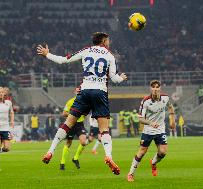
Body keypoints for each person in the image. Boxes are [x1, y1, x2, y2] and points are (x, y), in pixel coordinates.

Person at [37, 32, 127, 175]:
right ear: (103, 41)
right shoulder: (109, 55)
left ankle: (50, 151)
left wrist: (47, 54)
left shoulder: (86, 50)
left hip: (84, 91)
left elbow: (63, 60)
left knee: (67, 124)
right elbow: (115, 79)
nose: (109, 43)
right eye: (108, 40)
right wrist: (122, 78)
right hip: (100, 92)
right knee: (104, 130)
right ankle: (109, 156)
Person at [127, 80, 176, 182]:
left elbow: (171, 107)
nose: (155, 89)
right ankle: (130, 174)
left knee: (163, 152)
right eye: (153, 87)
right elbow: (140, 119)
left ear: (160, 88)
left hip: (160, 129)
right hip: (148, 130)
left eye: (157, 87)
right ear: (150, 88)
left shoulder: (165, 98)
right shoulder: (146, 101)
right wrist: (150, 123)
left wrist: (172, 120)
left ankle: (153, 162)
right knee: (142, 152)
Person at [59, 87, 88, 170]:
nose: (79, 92)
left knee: (83, 142)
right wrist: (73, 115)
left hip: (79, 125)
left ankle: (75, 158)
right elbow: (64, 113)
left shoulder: (85, 102)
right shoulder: (70, 102)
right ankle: (62, 162)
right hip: (71, 124)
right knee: (68, 143)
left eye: (80, 91)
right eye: (77, 91)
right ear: (74, 92)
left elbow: (85, 113)